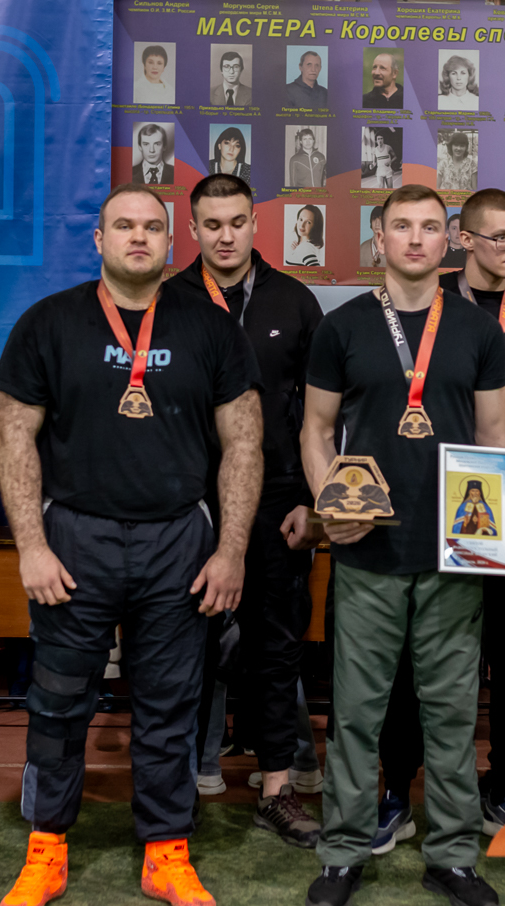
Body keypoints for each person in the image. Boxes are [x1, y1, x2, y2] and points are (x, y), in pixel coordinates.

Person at [0, 183, 263, 906]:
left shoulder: (211, 327)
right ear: (99, 239)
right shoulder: (49, 323)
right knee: (57, 702)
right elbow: (13, 435)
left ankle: (166, 851)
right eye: (123, 226)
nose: (138, 237)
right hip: (75, 539)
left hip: (178, 540)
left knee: (170, 704)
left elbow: (244, 443)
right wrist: (31, 547)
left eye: (151, 227)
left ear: (171, 240)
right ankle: (46, 847)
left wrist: (231, 550)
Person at [300, 183, 505, 906]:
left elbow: (495, 438)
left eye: (429, 227)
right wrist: (330, 505)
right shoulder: (341, 326)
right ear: (378, 238)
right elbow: (315, 430)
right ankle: (343, 851)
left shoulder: (476, 330)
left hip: (453, 555)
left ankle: (452, 856)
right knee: (356, 714)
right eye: (401, 226)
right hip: (367, 551)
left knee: (449, 716)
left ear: (448, 241)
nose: (415, 239)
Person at [377, 188, 505, 849]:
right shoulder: (424, 303)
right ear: (463, 239)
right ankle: (397, 788)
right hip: (434, 504)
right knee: (417, 660)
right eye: (501, 238)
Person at [169, 172, 327, 847]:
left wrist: (315, 503)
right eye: (212, 225)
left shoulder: (295, 301)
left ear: (255, 223)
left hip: (278, 500)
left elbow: (322, 415)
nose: (225, 236)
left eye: (237, 222)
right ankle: (176, 786)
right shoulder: (170, 300)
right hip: (189, 501)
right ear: (193, 229)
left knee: (275, 647)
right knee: (179, 644)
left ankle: (275, 789)